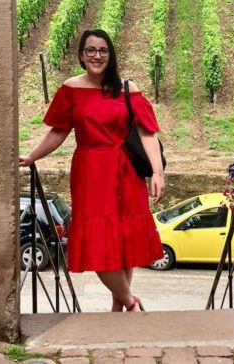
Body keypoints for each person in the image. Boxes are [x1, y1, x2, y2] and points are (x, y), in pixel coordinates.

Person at [19, 28, 165, 312]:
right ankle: (131, 303)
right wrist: (31, 156)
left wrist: (157, 172)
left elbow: (147, 133)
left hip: (127, 172)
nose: (97, 55)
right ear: (81, 55)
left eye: (103, 51)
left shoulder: (127, 89)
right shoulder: (71, 89)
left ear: (111, 56)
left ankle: (118, 307)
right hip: (91, 173)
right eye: (91, 50)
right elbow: (59, 131)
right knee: (100, 245)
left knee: (124, 241)